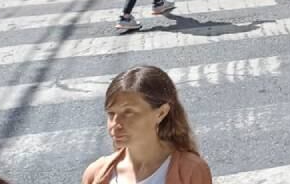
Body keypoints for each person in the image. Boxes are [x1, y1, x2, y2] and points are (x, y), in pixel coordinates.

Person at [82, 65, 213, 184]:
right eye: (111, 113)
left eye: (129, 112)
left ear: (161, 113)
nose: (115, 124)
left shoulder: (190, 171)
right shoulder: (95, 174)